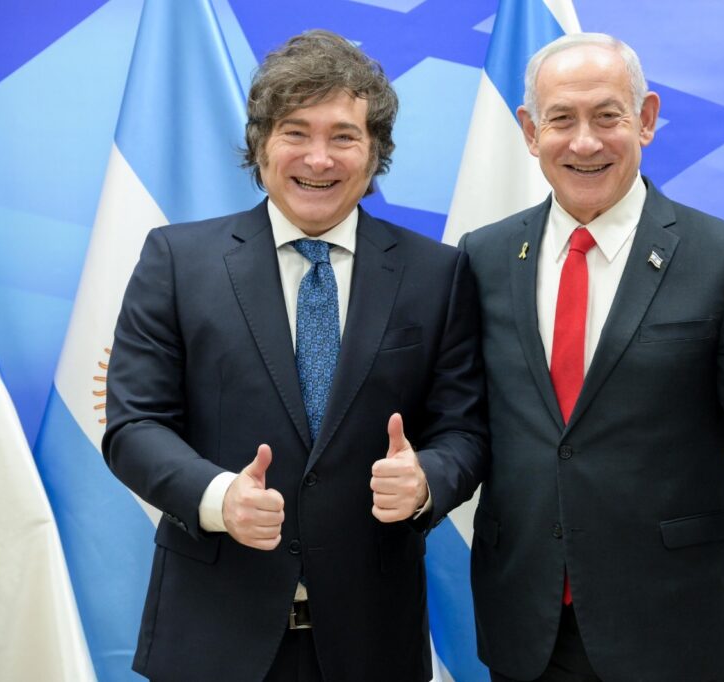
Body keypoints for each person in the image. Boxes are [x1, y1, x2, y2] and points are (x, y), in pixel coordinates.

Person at [103, 30, 487, 682]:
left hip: (373, 642)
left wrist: (427, 478)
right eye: (295, 132)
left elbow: (466, 430)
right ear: (260, 145)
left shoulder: (437, 273)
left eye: (344, 136)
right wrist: (219, 497)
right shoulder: (176, 261)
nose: (318, 158)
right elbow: (134, 426)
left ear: (375, 152)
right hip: (211, 638)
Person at [459, 33, 724, 681]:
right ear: (531, 131)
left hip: (674, 622)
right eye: (561, 120)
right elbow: (471, 424)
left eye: (607, 116)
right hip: (527, 623)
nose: (585, 142)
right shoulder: (483, 257)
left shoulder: (723, 257)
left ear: (645, 119)